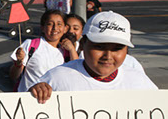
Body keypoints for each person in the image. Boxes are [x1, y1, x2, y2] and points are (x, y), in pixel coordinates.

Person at [29, 11, 157, 104]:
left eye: (117, 48)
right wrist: (35, 92)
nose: (108, 56)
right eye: (100, 47)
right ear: (83, 44)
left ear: (126, 50)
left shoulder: (139, 82)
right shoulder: (57, 78)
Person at [9, 10, 77, 92]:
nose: (55, 28)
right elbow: (13, 76)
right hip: (30, 99)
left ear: (65, 28)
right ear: (43, 28)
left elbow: (76, 73)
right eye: (50, 24)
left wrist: (72, 50)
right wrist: (18, 63)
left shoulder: (67, 52)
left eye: (59, 24)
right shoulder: (31, 45)